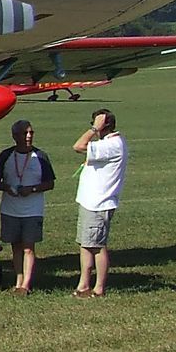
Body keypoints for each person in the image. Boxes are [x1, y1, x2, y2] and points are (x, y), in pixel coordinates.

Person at [0, 119, 54, 294]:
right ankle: (18, 280)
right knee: (16, 246)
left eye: (31, 133)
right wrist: (7, 188)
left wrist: (32, 189)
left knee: (28, 247)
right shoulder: (6, 156)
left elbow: (50, 183)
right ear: (14, 136)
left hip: (32, 210)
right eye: (24, 133)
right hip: (10, 209)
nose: (28, 136)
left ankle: (26, 284)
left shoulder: (40, 156)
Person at [73, 109, 127, 298]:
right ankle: (83, 285)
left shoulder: (113, 145)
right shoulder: (106, 144)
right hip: (90, 202)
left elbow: (78, 146)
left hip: (99, 203)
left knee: (97, 246)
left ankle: (99, 288)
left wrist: (94, 129)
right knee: (86, 244)